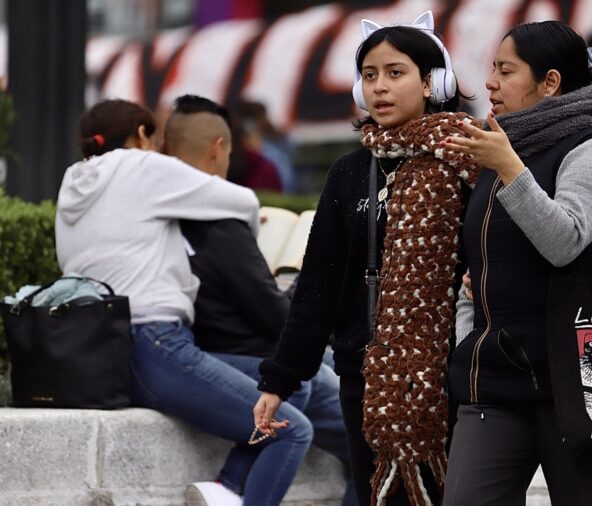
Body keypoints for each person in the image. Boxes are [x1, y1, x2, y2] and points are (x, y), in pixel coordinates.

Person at [253, 11, 479, 505]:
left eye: (395, 73)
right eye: (369, 75)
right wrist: (280, 379)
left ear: (432, 81)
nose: (379, 87)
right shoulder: (350, 172)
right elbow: (318, 285)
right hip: (367, 376)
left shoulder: (473, 158)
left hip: (458, 375)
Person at [55, 99, 313, 506]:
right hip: (157, 345)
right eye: (155, 140)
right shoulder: (141, 166)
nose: (160, 149)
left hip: (105, 352)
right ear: (141, 135)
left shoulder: (71, 185)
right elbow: (240, 199)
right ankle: (228, 490)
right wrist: (241, 229)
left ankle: (223, 492)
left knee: (292, 383)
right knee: (293, 431)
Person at [441, 21, 592, 505]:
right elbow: (475, 272)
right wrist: (469, 335)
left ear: (550, 82)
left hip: (577, 386)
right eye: (492, 70)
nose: (490, 83)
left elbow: (563, 240)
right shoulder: (500, 152)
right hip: (495, 383)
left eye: (506, 71)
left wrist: (508, 167)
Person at [163, 93, 356, 506]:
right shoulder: (223, 220)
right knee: (373, 435)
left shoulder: (159, 213)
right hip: (252, 354)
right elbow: (273, 318)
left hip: (212, 349)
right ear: (219, 149)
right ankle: (231, 486)